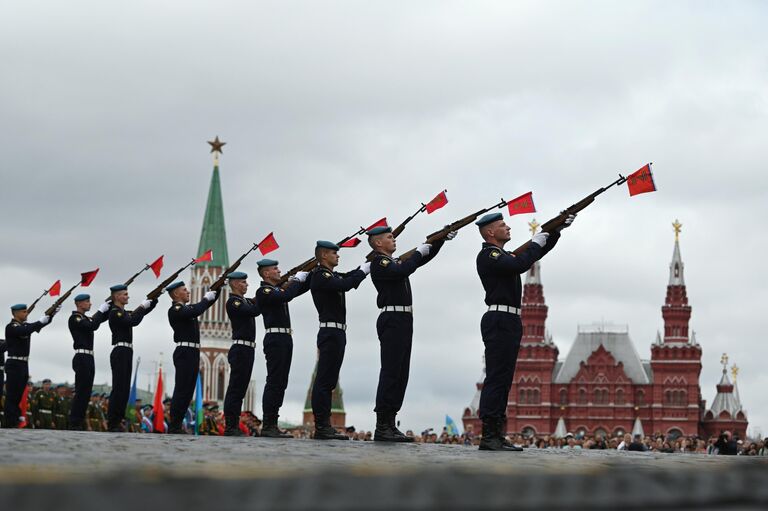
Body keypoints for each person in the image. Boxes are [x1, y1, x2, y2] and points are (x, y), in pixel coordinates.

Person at [473, 212, 574, 451]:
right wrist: (539, 238)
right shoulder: (489, 255)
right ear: (490, 232)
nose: (508, 227)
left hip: (509, 319)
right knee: (497, 378)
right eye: (502, 225)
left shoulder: (503, 255)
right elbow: (520, 263)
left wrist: (554, 232)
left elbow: (530, 254)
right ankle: (489, 435)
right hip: (498, 318)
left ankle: (496, 433)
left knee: (505, 379)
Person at [367, 225, 456, 442]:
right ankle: (382, 425)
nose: (394, 239)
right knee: (390, 371)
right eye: (389, 237)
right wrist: (421, 249)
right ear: (378, 243)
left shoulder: (394, 261)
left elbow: (420, 260)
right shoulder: (380, 262)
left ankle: (391, 421)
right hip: (392, 318)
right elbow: (405, 268)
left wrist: (439, 240)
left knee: (401, 372)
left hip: (404, 319)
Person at [309, 240, 369, 440]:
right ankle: (322, 425)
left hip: (337, 333)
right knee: (324, 381)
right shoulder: (320, 275)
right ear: (324, 255)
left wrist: (361, 268)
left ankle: (325, 425)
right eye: (334, 253)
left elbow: (346, 277)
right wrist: (364, 271)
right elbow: (346, 284)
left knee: (330, 381)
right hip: (330, 332)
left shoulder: (330, 275)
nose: (338, 256)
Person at [254, 258, 311, 438]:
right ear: (266, 273)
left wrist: (309, 273)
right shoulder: (264, 291)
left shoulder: (277, 289)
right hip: (275, 338)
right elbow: (287, 295)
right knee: (274, 381)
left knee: (281, 382)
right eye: (275, 268)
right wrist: (295, 279)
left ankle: (272, 422)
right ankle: (269, 424)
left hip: (285, 337)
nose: (279, 271)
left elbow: (299, 289)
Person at [164, 281, 218, 434]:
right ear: (175, 294)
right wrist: (206, 298)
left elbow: (204, 305)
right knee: (182, 388)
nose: (188, 292)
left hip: (193, 352)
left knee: (188, 390)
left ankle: (178, 423)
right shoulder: (176, 309)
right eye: (184, 290)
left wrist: (217, 288)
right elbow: (197, 310)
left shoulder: (187, 308)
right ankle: (174, 425)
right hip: (184, 351)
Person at [105, 284, 158, 432]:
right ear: (116, 297)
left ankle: (118, 420)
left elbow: (138, 315)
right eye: (124, 294)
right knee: (118, 388)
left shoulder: (123, 312)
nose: (128, 296)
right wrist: (142, 306)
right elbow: (133, 320)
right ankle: (113, 422)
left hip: (127, 351)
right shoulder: (115, 312)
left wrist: (153, 300)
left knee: (124, 389)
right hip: (120, 350)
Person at [3, 303, 57, 428]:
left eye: (26, 311)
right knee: (12, 395)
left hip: (23, 364)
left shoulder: (25, 326)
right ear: (15, 313)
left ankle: (15, 419)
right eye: (23, 312)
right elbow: (26, 330)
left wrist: (52, 314)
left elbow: (38, 325)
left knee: (19, 394)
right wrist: (39, 321)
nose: (26, 314)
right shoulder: (11, 327)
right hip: (14, 363)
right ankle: (10, 421)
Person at [223, 271, 260, 436]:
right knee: (235, 389)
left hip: (248, 348)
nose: (247, 285)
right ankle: (231, 425)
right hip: (240, 349)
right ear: (236, 284)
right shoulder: (233, 302)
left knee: (241, 388)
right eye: (244, 282)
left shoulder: (244, 301)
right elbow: (254, 310)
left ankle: (234, 424)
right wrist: (264, 294)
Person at [67, 293, 111, 430]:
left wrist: (109, 306)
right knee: (81, 391)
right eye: (87, 301)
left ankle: (78, 420)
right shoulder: (75, 318)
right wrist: (100, 310)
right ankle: (75, 421)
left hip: (89, 357)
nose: (90, 303)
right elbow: (92, 325)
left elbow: (98, 320)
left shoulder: (85, 318)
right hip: (81, 357)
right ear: (79, 304)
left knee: (86, 392)